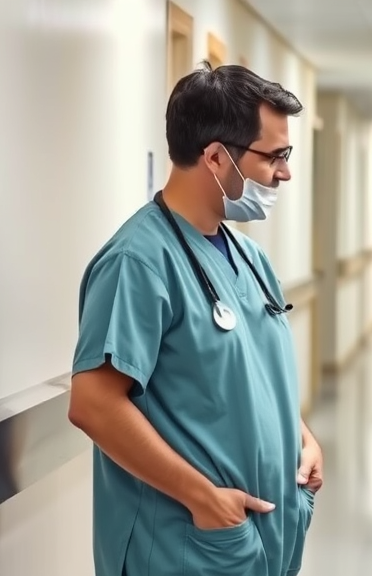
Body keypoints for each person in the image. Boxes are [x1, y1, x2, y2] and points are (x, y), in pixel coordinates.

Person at [67, 62, 322, 576]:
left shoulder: (250, 258)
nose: (285, 172)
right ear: (215, 158)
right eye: (274, 156)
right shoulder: (137, 262)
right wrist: (205, 499)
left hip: (254, 539)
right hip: (184, 543)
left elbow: (249, 373)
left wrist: (301, 436)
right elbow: (94, 404)